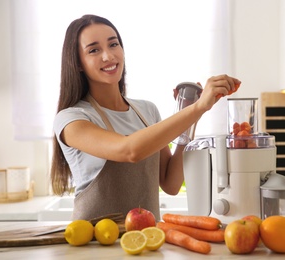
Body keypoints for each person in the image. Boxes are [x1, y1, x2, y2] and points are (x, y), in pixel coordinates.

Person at [50, 14, 241, 221]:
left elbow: (171, 183)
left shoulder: (146, 110)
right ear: (78, 63)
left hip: (147, 241)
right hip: (95, 243)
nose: (108, 56)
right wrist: (197, 108)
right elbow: (129, 150)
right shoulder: (71, 119)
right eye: (94, 50)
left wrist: (191, 115)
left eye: (113, 44)